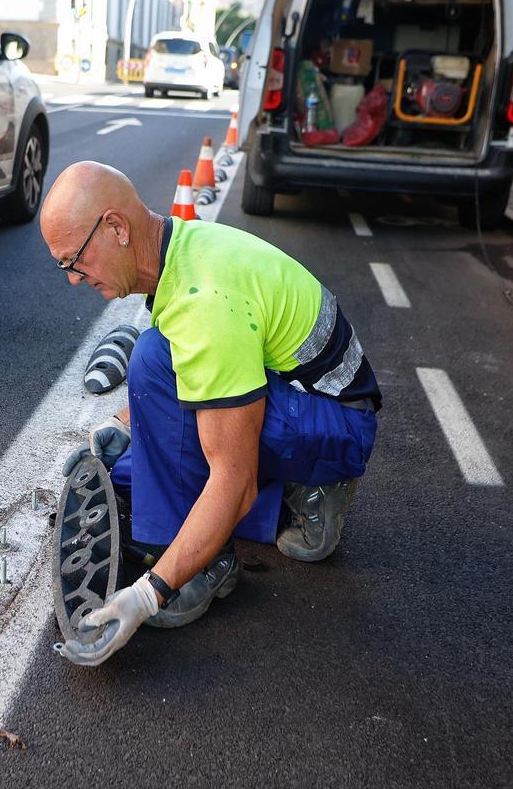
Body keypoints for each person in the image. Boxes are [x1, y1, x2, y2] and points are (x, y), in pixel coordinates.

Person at [41, 162, 381, 666]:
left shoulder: (204, 300)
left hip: (337, 424)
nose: (73, 279)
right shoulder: (179, 250)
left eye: (75, 261)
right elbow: (184, 360)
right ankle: (247, 510)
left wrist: (149, 593)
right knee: (150, 383)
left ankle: (222, 554)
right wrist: (125, 424)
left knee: (178, 400)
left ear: (116, 228)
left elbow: (234, 478)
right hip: (300, 394)